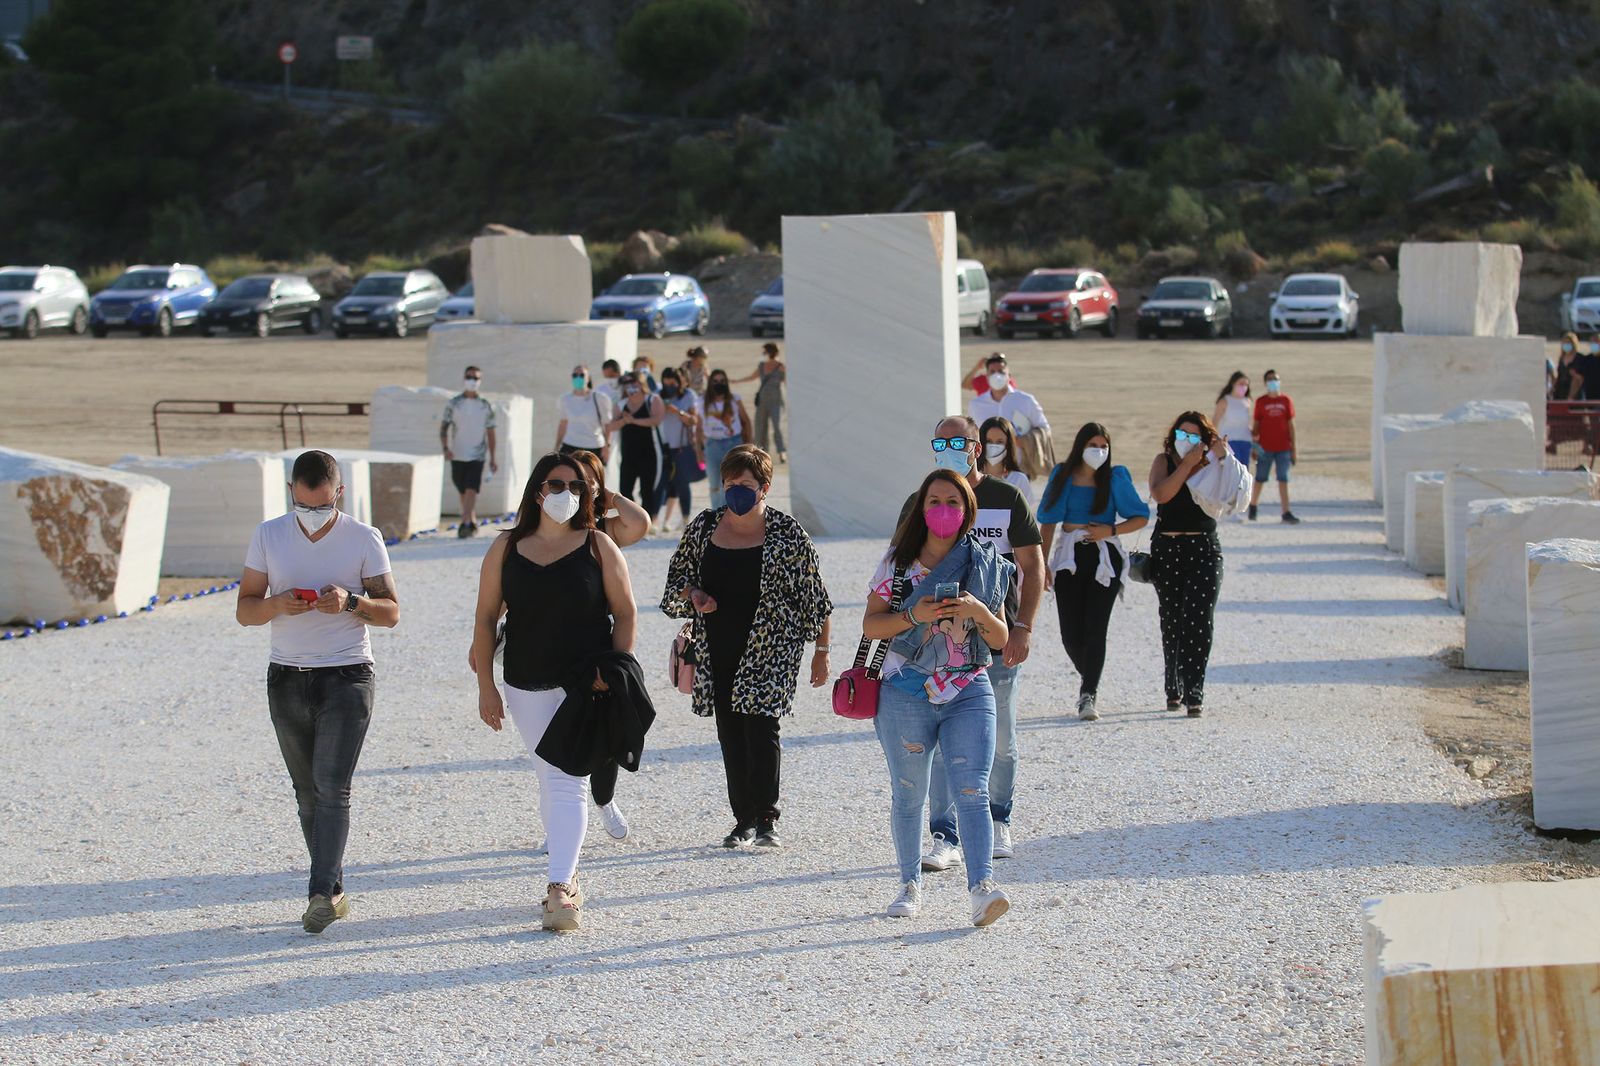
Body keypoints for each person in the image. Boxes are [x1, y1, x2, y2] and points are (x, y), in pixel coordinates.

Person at [235, 450, 400, 934]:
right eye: (305, 507)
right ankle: (334, 887)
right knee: (307, 794)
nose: (313, 516)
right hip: (286, 675)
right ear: (292, 493)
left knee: (333, 789)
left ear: (339, 495)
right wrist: (277, 605)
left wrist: (351, 602)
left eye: (323, 506)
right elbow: (245, 611)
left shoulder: (363, 538)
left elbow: (390, 612)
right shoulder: (269, 535)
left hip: (347, 675)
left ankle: (319, 895)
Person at [472, 453, 636, 931]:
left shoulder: (600, 545)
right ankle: (568, 873)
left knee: (568, 778)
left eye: (577, 486)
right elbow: (485, 618)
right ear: (537, 490)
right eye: (556, 483)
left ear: (588, 495)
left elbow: (625, 612)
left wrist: (615, 669)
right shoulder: (505, 547)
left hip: (587, 683)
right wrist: (485, 685)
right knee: (551, 776)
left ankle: (561, 887)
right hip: (524, 683)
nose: (566, 492)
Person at [862, 468, 1014, 926]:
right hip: (905, 691)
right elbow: (871, 625)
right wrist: (912, 614)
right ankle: (909, 884)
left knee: (972, 790)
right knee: (909, 794)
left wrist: (978, 610)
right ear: (920, 510)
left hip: (969, 688)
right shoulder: (897, 564)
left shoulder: (984, 563)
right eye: (934, 502)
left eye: (953, 501)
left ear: (968, 510)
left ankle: (982, 889)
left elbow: (1001, 637)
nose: (943, 510)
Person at [661, 445, 832, 850]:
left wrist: (821, 653)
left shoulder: (788, 534)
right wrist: (696, 594)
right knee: (730, 731)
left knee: (761, 726)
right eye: (730, 484)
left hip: (772, 648)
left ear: (765, 488)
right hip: (716, 645)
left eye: (746, 485)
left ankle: (766, 817)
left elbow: (815, 598)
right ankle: (743, 821)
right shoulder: (704, 528)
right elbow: (674, 585)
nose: (736, 491)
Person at [900, 415, 1044, 870]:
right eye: (938, 442)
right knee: (942, 742)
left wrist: (1024, 626)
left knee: (999, 737)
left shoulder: (1006, 498)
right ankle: (945, 834)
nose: (946, 448)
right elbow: (899, 565)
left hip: (996, 640)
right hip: (937, 645)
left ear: (976, 448)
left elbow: (1033, 568)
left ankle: (999, 817)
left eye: (956, 442)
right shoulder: (922, 500)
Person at [1036, 423, 1150, 720]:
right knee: (1070, 635)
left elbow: (1140, 516)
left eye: (1104, 446)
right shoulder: (1063, 475)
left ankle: (1088, 694)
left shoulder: (1115, 477)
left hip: (1105, 558)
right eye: (1093, 445)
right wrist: (1041, 565)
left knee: (1096, 628)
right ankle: (1091, 675)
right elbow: (1047, 520)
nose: (1099, 451)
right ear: (1080, 446)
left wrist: (1110, 530)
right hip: (1069, 558)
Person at [1148, 413, 1231, 718]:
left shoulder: (1212, 465)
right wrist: (1185, 465)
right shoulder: (1164, 461)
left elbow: (1232, 490)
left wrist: (1220, 458)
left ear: (1205, 440)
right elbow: (1162, 494)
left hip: (1204, 548)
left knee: (1199, 618)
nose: (1187, 441)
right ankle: (1174, 686)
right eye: (1182, 434)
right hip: (1168, 548)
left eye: (1194, 436)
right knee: (1172, 620)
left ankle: (1195, 690)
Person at [440, 366, 499, 538]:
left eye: (476, 378)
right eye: (469, 377)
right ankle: (471, 519)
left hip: (477, 455)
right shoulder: (454, 404)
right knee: (463, 490)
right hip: (458, 454)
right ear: (464, 378)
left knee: (472, 488)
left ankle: (464, 522)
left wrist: (493, 457)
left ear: (480, 381)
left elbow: (491, 432)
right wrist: (445, 448)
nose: (472, 381)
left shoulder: (485, 405)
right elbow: (444, 427)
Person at [609, 370, 665, 517]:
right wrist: (624, 421)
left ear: (641, 383)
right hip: (628, 455)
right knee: (625, 490)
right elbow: (610, 426)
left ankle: (647, 523)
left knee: (647, 491)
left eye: (633, 383)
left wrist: (633, 420)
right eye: (627, 384)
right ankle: (633, 519)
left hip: (649, 453)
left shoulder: (652, 400)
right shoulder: (621, 404)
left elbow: (656, 420)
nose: (630, 387)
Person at [655, 367, 704, 534]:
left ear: (679, 381)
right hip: (663, 445)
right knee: (663, 484)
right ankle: (658, 520)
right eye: (666, 383)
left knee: (682, 484)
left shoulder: (688, 395)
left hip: (681, 446)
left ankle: (685, 519)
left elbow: (693, 420)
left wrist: (677, 411)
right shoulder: (658, 395)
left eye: (673, 383)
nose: (669, 386)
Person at [1248, 369, 1300, 523]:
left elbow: (1291, 425)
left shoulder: (1286, 401)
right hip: (1265, 447)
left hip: (1284, 447)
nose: (1273, 382)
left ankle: (1286, 511)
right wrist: (1255, 446)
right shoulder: (1261, 402)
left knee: (1283, 478)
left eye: (1276, 379)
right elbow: (1256, 426)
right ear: (1265, 383)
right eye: (1270, 379)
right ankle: (1253, 505)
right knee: (1260, 478)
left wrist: (1294, 449)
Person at [698, 370, 752, 509]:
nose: (719, 384)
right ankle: (715, 515)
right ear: (710, 383)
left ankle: (724, 515)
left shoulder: (734, 399)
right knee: (714, 483)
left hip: (733, 444)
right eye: (715, 381)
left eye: (722, 381)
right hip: (712, 444)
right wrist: (698, 451)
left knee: (730, 481)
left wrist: (749, 447)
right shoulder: (702, 401)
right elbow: (698, 427)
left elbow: (746, 422)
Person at [967, 353, 1049, 441]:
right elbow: (971, 436)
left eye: (1001, 372)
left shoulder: (1026, 400)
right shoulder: (975, 404)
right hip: (987, 455)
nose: (997, 376)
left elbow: (1044, 429)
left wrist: (1024, 441)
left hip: (1019, 454)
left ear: (1009, 376)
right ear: (986, 377)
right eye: (992, 372)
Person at [732, 341, 787, 462]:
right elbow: (751, 377)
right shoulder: (762, 366)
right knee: (760, 426)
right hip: (762, 401)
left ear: (770, 352)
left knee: (777, 427)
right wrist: (736, 381)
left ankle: (781, 451)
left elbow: (787, 383)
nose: (763, 354)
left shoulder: (781, 367)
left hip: (776, 401)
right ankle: (762, 452)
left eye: (765, 352)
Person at [556, 365, 615, 463]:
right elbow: (563, 424)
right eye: (575, 375)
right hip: (570, 446)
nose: (578, 377)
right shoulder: (565, 399)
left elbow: (607, 425)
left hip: (593, 447)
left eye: (582, 375)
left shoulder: (600, 398)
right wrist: (557, 446)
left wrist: (607, 447)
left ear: (588, 378)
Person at [978, 416, 1035, 508]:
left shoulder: (1019, 479)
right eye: (989, 441)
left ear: (1009, 444)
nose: (994, 446)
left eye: (1000, 442)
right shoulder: (971, 477)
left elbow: (1026, 517)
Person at [1213, 371, 1254, 470]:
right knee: (1233, 469)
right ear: (1233, 384)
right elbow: (1214, 422)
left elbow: (1246, 423)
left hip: (1245, 440)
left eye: (1246, 385)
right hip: (1229, 441)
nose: (1244, 387)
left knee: (1244, 470)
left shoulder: (1247, 402)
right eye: (1241, 384)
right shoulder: (1224, 401)